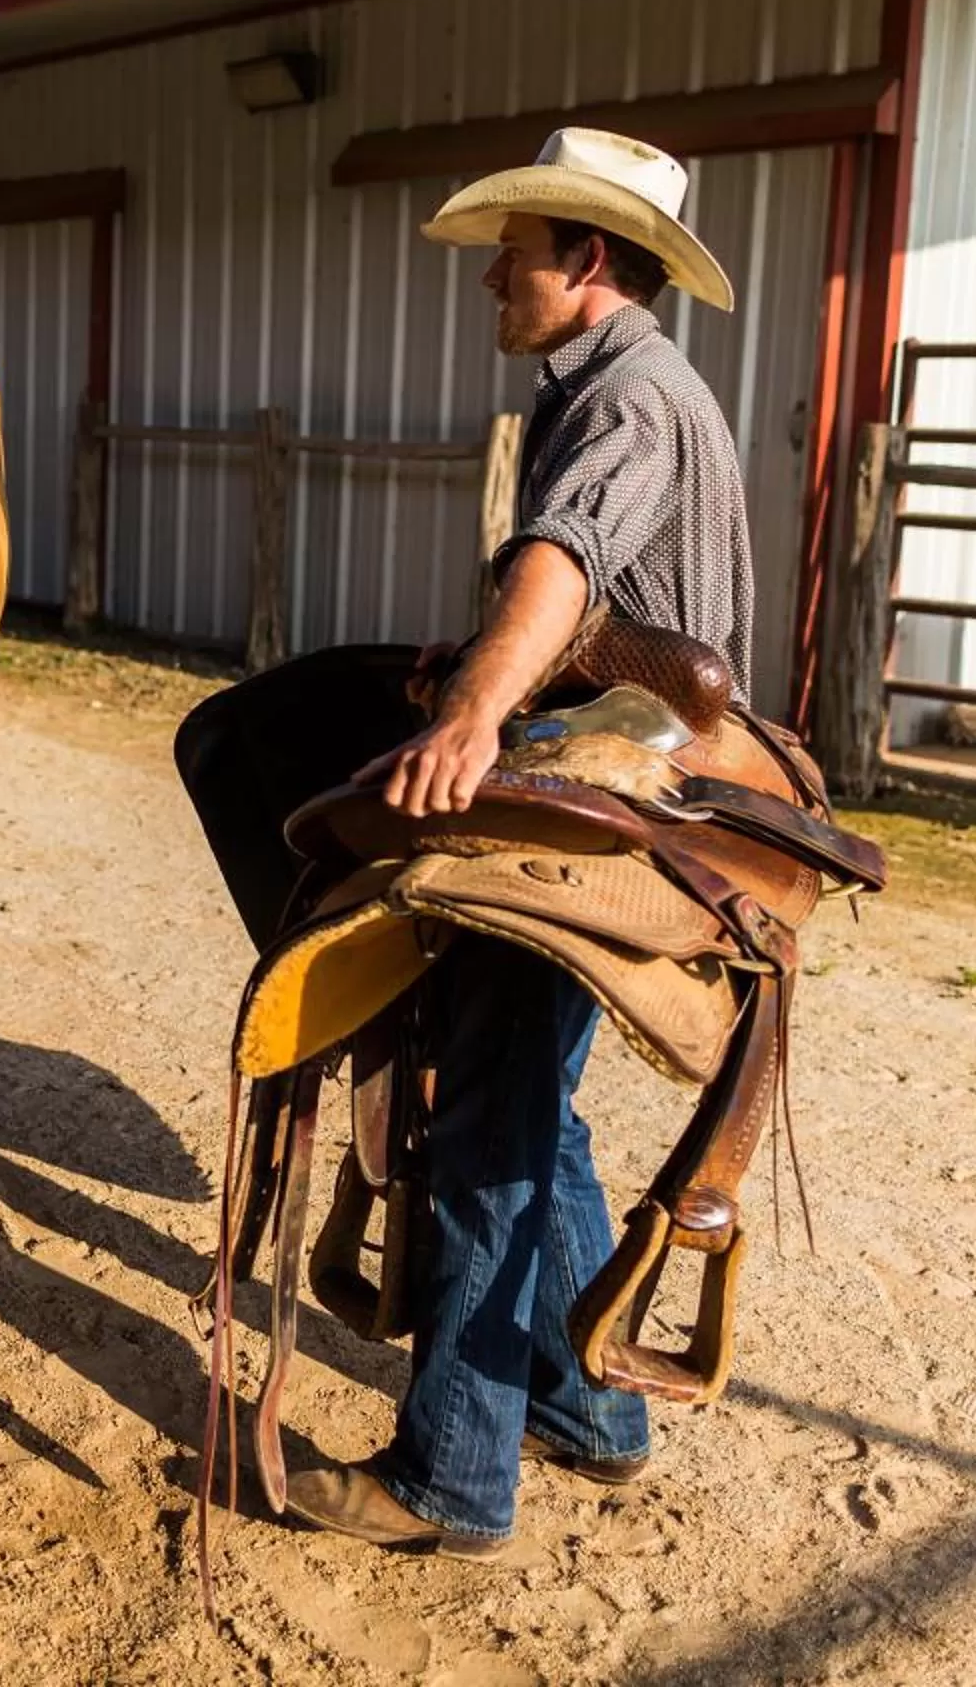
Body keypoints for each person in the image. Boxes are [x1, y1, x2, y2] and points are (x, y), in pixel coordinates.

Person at [281, 126, 754, 1557]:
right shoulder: (627, 389)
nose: (494, 272)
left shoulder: (627, 399)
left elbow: (561, 566)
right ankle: (589, 1413)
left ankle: (453, 1478)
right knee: (531, 1101)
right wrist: (495, 664)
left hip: (603, 807)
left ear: (588, 262)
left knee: (489, 1108)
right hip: (626, 777)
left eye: (519, 249)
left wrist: (474, 712)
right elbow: (597, 611)